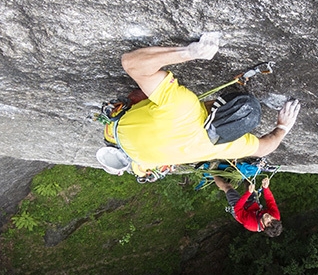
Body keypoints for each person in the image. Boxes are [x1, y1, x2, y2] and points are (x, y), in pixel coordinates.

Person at [102, 32, 300, 175]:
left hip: (130, 143)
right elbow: (264, 148)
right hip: (137, 153)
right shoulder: (184, 110)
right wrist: (283, 129)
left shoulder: (213, 140)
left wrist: (189, 52)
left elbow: (131, 63)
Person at [213, 175, 282, 236]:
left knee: (227, 187)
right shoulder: (276, 216)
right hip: (254, 208)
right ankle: (245, 175)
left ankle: (213, 173)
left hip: (240, 211)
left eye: (268, 222)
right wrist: (266, 188)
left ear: (264, 226)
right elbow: (270, 201)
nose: (269, 218)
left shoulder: (250, 224)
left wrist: (249, 193)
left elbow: (238, 208)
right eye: (272, 219)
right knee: (249, 184)